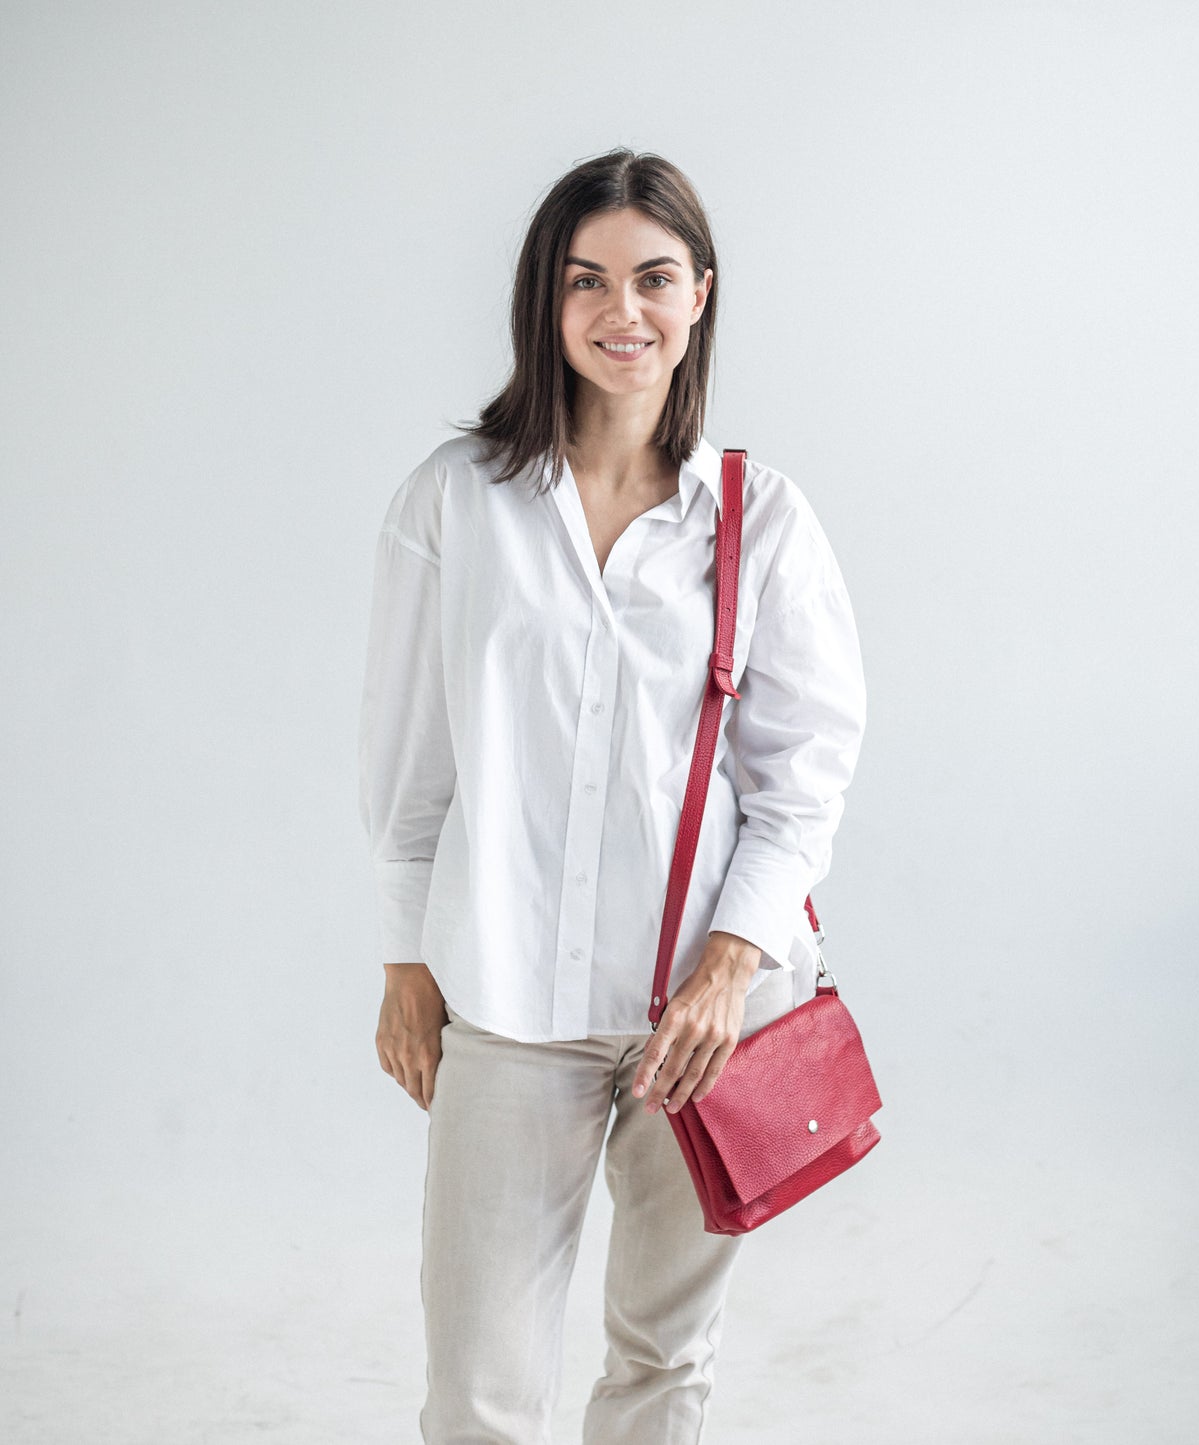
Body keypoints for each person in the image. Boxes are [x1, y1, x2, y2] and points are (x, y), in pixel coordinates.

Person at [358, 147, 867, 1445]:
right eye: (585, 279)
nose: (619, 310)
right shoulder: (455, 502)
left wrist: (727, 969)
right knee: (478, 1387)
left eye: (652, 277)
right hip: (505, 998)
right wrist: (405, 960)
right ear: (547, 297)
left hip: (701, 1013)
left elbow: (803, 778)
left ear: (700, 292)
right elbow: (412, 764)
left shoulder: (761, 520)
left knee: (663, 1360)